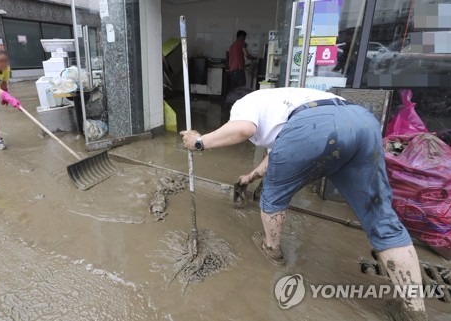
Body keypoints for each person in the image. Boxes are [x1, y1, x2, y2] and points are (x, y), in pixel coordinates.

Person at [181, 87, 428, 321]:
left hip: (314, 127)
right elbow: (277, 156)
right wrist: (250, 177)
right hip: (362, 121)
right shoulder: (284, 101)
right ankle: (414, 309)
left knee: (274, 195)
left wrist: (200, 141)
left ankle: (272, 250)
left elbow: (243, 129)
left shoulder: (245, 102)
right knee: (381, 217)